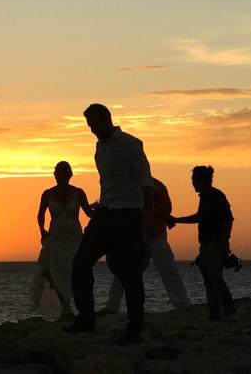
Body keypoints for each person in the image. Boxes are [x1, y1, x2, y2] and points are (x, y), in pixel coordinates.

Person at [65, 103, 154, 344]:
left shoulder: (131, 145)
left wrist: (145, 220)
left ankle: (135, 329)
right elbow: (108, 185)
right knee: (81, 263)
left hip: (127, 215)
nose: (92, 130)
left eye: (94, 125)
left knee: (129, 274)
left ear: (106, 119)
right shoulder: (99, 149)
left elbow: (146, 182)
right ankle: (86, 320)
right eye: (89, 126)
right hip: (105, 212)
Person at [101, 176, 191, 314]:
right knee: (122, 271)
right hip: (133, 235)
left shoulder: (156, 185)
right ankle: (112, 306)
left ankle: (183, 304)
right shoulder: (128, 185)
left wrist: (147, 209)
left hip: (154, 235)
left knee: (168, 268)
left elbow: (167, 208)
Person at [168, 165, 236, 321]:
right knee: (209, 281)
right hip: (206, 244)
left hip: (214, 243)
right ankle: (214, 315)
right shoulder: (205, 197)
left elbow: (227, 220)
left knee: (215, 279)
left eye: (193, 180)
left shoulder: (215, 195)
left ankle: (231, 312)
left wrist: (224, 243)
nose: (192, 183)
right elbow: (201, 217)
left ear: (201, 180)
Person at [30, 161, 93, 317]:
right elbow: (40, 214)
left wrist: (101, 210)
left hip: (74, 237)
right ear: (55, 175)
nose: (61, 177)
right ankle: (63, 305)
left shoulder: (78, 192)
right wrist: (42, 232)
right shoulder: (47, 194)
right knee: (52, 270)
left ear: (70, 175)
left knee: (74, 270)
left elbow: (89, 213)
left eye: (65, 174)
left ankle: (73, 305)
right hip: (55, 236)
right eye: (59, 174)